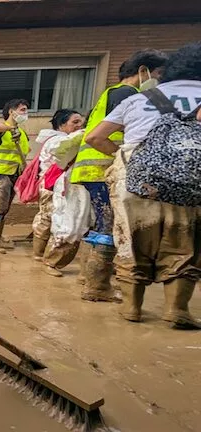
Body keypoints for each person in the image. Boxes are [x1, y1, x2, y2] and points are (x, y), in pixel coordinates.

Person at [86, 42, 201, 329]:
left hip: (135, 176)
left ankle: (131, 308)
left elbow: (94, 137)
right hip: (191, 180)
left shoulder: (140, 99)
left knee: (130, 242)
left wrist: (125, 157)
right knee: (184, 242)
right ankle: (177, 309)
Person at [70, 49, 168, 302]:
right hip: (101, 168)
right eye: (158, 74)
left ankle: (88, 276)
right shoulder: (127, 95)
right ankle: (97, 285)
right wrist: (122, 155)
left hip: (92, 168)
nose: (158, 79)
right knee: (109, 224)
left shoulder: (112, 94)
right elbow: (104, 136)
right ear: (143, 70)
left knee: (100, 223)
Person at [31, 109, 86, 276]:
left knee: (49, 218)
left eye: (81, 122)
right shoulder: (57, 141)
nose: (79, 125)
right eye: (74, 122)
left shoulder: (64, 139)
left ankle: (41, 254)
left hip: (58, 186)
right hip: (51, 185)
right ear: (62, 125)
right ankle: (40, 254)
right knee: (48, 218)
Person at [0, 99, 30, 253]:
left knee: (4, 209)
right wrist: (9, 129)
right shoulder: (0, 130)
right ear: (11, 111)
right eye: (22, 110)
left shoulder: (22, 133)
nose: (25, 113)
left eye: (26, 110)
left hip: (14, 174)